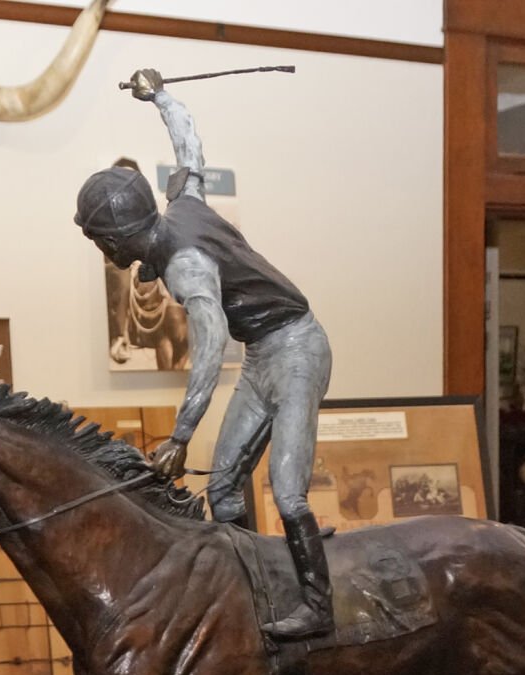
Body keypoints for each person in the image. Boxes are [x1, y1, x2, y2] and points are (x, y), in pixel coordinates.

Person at [74, 68, 335, 640]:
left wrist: (181, 436)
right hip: (263, 354)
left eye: (98, 242)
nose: (101, 251)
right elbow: (189, 145)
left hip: (297, 350)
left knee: (287, 490)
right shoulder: (183, 203)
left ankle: (319, 606)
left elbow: (212, 342)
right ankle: (261, 587)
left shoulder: (185, 265)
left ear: (114, 240)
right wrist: (160, 96)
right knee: (221, 488)